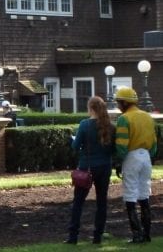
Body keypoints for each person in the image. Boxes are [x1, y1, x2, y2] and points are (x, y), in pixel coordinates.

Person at [65, 96, 115, 245]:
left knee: (78, 202)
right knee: (101, 202)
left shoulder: (84, 124)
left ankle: (73, 237)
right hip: (104, 167)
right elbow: (113, 149)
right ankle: (97, 237)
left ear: (91, 109)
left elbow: (75, 147)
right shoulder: (111, 127)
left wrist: (72, 140)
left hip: (86, 167)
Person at [114, 87, 157, 243]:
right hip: (146, 156)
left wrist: (118, 161)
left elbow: (121, 145)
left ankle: (136, 235)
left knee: (130, 195)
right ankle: (147, 235)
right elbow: (154, 142)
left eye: (119, 102)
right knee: (144, 194)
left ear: (125, 102)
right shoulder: (147, 117)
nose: (118, 106)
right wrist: (149, 155)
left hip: (131, 157)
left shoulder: (124, 119)